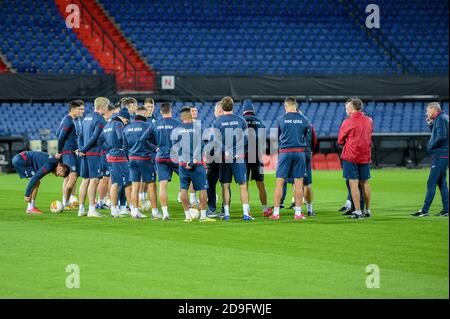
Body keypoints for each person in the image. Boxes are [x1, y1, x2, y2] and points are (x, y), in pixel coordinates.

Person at [172, 106, 215, 222]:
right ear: (190, 116)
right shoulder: (197, 128)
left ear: (181, 117)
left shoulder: (176, 130)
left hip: (182, 165)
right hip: (196, 164)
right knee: (202, 189)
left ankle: (187, 216)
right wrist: (192, 162)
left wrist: (184, 162)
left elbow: (175, 149)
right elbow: (199, 147)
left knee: (183, 189)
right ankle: (203, 216)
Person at [212, 96, 252, 221]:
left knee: (225, 185)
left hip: (224, 157)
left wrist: (227, 151)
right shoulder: (241, 120)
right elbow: (246, 138)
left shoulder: (217, 122)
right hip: (239, 156)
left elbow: (216, 141)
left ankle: (227, 214)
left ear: (222, 107)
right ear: (232, 106)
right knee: (243, 184)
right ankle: (246, 213)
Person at [140, 102, 181, 220]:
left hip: (160, 157)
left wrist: (154, 148)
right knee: (188, 179)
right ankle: (191, 205)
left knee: (162, 186)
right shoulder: (177, 124)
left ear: (161, 112)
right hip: (174, 157)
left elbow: (142, 139)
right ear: (171, 110)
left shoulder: (155, 124)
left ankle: (165, 213)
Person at [271, 97, 309, 220]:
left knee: (279, 183)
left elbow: (275, 137)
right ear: (296, 105)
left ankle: (276, 213)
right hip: (299, 153)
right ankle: (298, 213)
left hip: (285, 152)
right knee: (298, 184)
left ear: (285, 106)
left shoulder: (281, 119)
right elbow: (305, 136)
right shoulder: (304, 119)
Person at [338, 98, 373, 219]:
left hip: (351, 155)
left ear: (352, 109)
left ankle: (357, 211)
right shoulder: (369, 120)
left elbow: (340, 140)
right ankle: (367, 210)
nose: (345, 110)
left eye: (347, 107)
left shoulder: (347, 122)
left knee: (353, 183)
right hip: (365, 155)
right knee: (365, 182)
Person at [124, 104, 161, 219]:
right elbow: (153, 143)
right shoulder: (148, 126)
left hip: (132, 159)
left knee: (135, 186)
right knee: (151, 186)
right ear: (144, 114)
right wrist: (153, 149)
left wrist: (128, 158)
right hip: (144, 159)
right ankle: (155, 212)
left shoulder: (127, 127)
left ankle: (135, 211)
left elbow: (124, 147)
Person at [412, 102, 449, 217]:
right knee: (441, 183)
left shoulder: (440, 119)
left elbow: (442, 136)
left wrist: (431, 145)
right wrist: (430, 125)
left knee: (431, 182)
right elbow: (441, 134)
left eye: (428, 110)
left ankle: (425, 210)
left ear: (434, 109)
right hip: (443, 155)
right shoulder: (443, 117)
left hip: (440, 155)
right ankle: (446, 209)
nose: (426, 112)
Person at [98, 107, 132, 218]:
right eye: (127, 120)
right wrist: (124, 150)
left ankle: (117, 208)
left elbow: (100, 140)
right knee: (122, 183)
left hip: (111, 156)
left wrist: (109, 150)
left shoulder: (107, 125)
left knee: (115, 182)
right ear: (123, 117)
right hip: (119, 156)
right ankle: (119, 209)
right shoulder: (118, 124)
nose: (126, 122)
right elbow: (121, 138)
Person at [77, 97, 108, 217]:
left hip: (85, 154)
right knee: (94, 180)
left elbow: (80, 136)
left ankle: (81, 209)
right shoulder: (100, 119)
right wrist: (83, 149)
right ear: (103, 106)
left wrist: (81, 149)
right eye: (107, 106)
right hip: (94, 153)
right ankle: (91, 209)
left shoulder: (86, 118)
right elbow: (95, 137)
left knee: (85, 180)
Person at [242, 99, 271, 217]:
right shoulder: (260, 122)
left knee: (245, 184)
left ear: (244, 110)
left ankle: (247, 210)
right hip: (257, 156)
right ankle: (265, 209)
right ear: (253, 110)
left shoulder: (241, 121)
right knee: (260, 183)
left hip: (243, 156)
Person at [56, 99, 84, 210]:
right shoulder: (68, 121)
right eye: (80, 109)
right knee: (72, 176)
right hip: (68, 152)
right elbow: (60, 136)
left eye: (83, 109)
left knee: (70, 177)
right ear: (72, 109)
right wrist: (59, 151)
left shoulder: (75, 120)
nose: (82, 111)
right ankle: (66, 202)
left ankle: (68, 199)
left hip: (73, 151)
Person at [96, 101, 120, 210]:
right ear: (108, 112)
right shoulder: (105, 123)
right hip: (106, 153)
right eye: (113, 113)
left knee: (107, 178)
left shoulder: (107, 123)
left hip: (106, 153)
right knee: (106, 178)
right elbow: (101, 140)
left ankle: (105, 200)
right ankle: (103, 201)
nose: (115, 116)